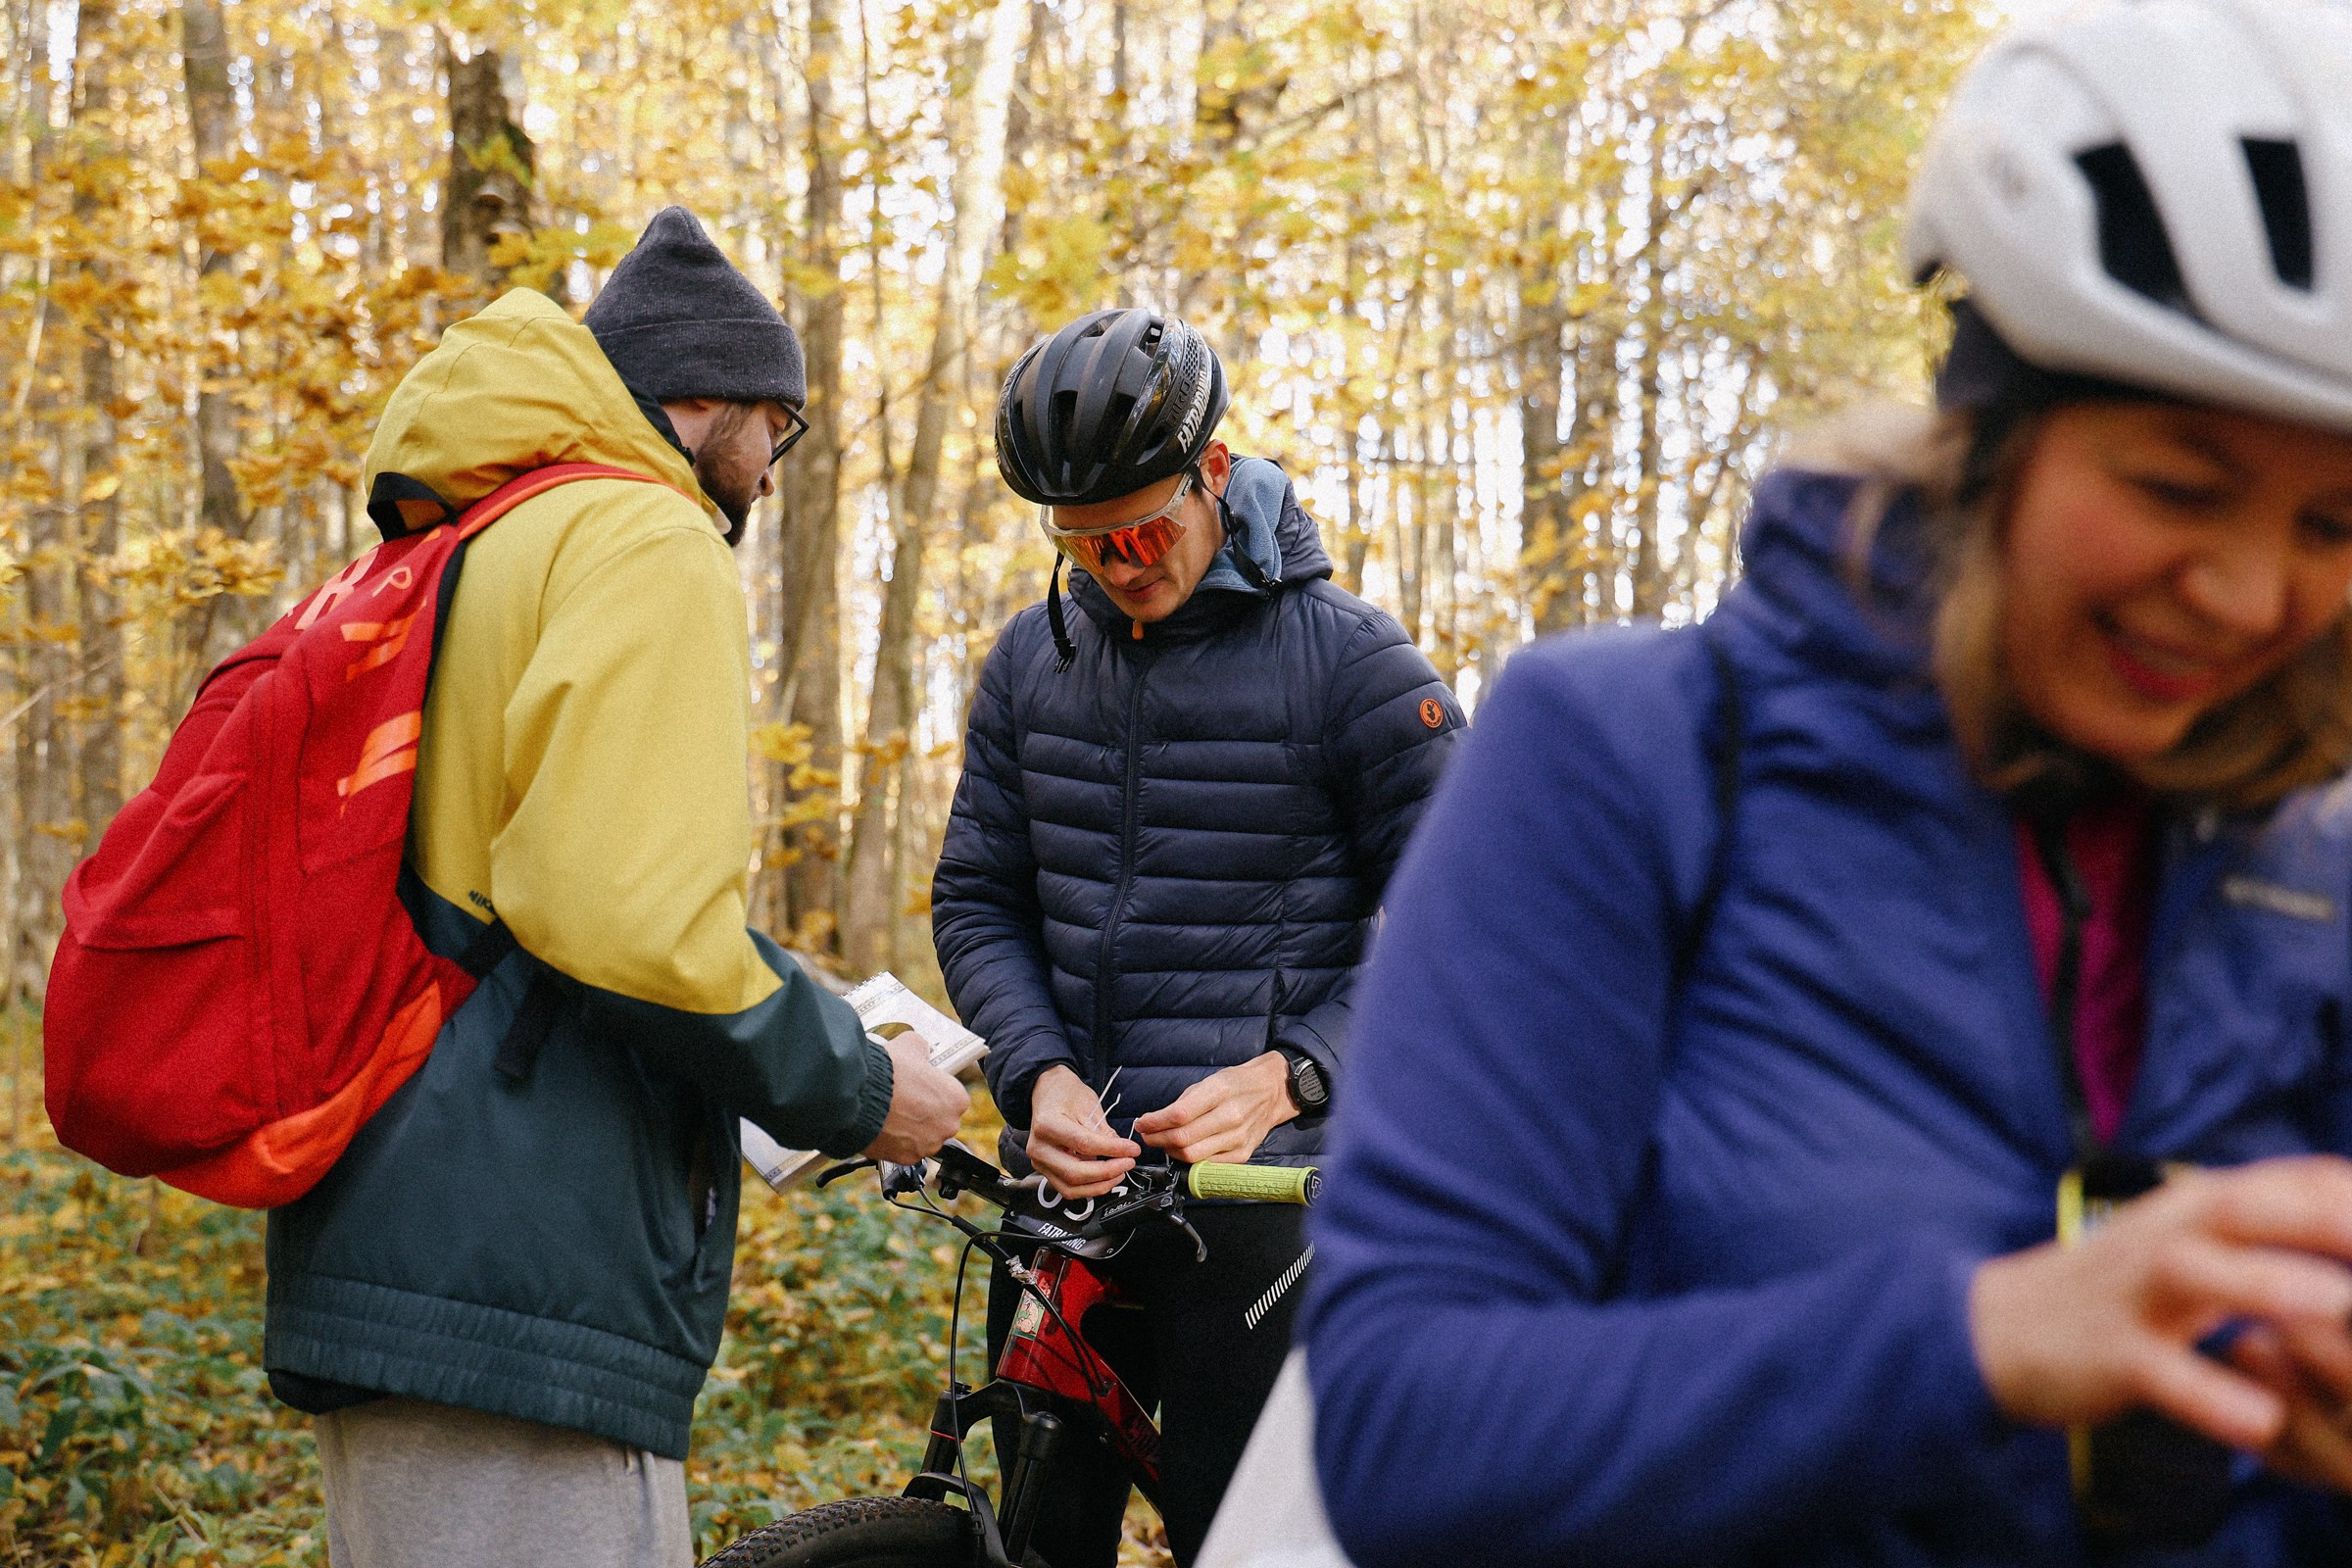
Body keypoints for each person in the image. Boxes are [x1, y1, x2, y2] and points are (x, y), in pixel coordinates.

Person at [1301, 2, 2352, 1564]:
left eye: (2333, 526)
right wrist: (1981, 1339)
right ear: (1991, 436)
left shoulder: (2316, 862)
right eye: (2176, 485)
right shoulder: (1631, 757)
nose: (2247, 597)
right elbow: (1405, 1427)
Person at [260, 208, 969, 1568]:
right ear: (703, 402)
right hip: (522, 1271)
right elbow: (617, 916)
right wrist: (865, 1086)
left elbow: (559, 880)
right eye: (777, 426)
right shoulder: (646, 539)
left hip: (398, 1223)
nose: (771, 467)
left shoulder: (470, 541)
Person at [932, 307, 1463, 1565]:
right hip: (1065, 1200)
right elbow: (977, 897)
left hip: (1267, 1205)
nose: (1117, 563)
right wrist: (1035, 1069)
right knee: (1036, 1540)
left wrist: (1298, 1070)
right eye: (1084, 542)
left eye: (1143, 528)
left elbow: (1476, 928)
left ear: (1213, 470)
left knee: (1248, 1544)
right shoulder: (1029, 663)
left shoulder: (1352, 661)